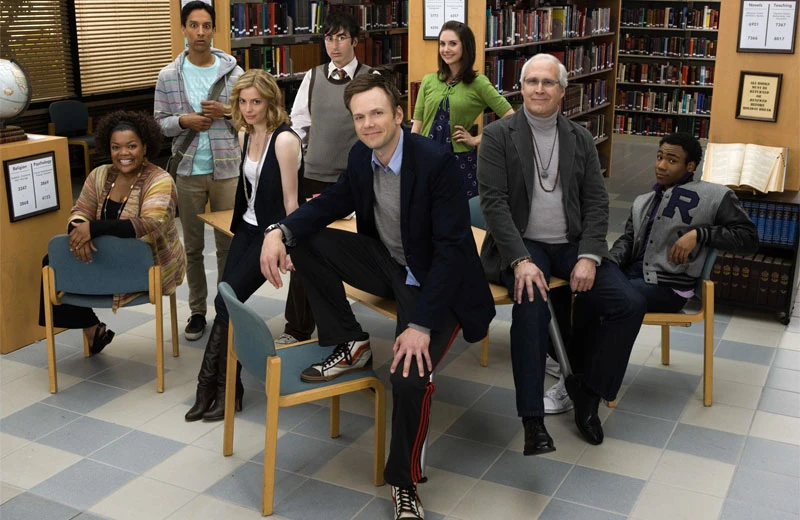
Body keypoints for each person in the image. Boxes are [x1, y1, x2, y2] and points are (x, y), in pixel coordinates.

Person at [260, 73, 495, 520]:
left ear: (399, 115)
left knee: (408, 377)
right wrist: (280, 230)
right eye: (359, 117)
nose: (368, 124)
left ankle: (404, 482)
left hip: (439, 283)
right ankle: (353, 342)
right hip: (390, 265)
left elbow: (451, 252)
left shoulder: (435, 162)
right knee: (303, 240)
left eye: (377, 113)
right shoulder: (360, 155)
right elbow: (331, 202)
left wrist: (421, 325)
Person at [477, 53, 646, 454]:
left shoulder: (580, 137)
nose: (539, 89)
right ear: (521, 87)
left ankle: (588, 391)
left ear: (562, 91)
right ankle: (532, 420)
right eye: (532, 81)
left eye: (548, 82)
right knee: (531, 308)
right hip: (523, 245)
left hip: (571, 244)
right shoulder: (498, 135)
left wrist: (589, 255)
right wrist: (520, 261)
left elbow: (596, 202)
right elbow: (494, 204)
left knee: (628, 302)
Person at [185, 69, 304, 422]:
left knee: (227, 302)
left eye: (256, 102)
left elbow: (292, 201)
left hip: (271, 235)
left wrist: (291, 245)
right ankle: (220, 389)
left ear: (270, 102)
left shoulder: (285, 140)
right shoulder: (243, 133)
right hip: (246, 229)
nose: (249, 109)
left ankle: (215, 388)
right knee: (225, 301)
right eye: (243, 101)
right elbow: (249, 190)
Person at [39, 111, 186, 352]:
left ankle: (92, 328)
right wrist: (78, 233)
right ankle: (91, 327)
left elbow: (150, 223)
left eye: (131, 146)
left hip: (146, 267)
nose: (123, 153)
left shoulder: (160, 179)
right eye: (116, 147)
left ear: (145, 147)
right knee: (54, 260)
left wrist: (93, 228)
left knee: (57, 265)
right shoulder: (100, 174)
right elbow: (80, 210)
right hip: (105, 260)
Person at [276, 11, 372, 346]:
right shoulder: (313, 77)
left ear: (355, 40)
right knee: (304, 250)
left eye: (341, 37)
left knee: (352, 251)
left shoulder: (370, 77)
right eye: (329, 38)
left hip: (353, 184)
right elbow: (298, 126)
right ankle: (297, 328)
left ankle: (343, 323)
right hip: (315, 178)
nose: (335, 45)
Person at [154, 0, 243, 342]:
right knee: (191, 246)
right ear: (184, 30)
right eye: (194, 25)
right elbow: (159, 124)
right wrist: (183, 121)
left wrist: (225, 111)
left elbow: (250, 119)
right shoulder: (168, 75)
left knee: (228, 246)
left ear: (214, 29)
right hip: (188, 170)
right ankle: (197, 311)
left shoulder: (234, 74)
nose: (200, 32)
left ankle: (227, 309)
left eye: (206, 25)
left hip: (227, 170)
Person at [610, 132, 759, 310]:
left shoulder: (714, 195)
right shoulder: (643, 201)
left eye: (672, 161)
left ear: (690, 166)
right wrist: (609, 264)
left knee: (605, 298)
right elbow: (628, 240)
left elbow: (748, 238)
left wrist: (699, 234)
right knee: (588, 288)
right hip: (632, 275)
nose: (661, 166)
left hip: (668, 286)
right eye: (659, 157)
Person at [411, 20, 513, 198]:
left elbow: (511, 118)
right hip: (426, 158)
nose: (446, 49)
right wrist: (412, 156)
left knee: (461, 210)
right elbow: (417, 124)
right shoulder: (428, 80)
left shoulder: (478, 83)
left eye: (452, 43)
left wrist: (477, 140)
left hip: (460, 162)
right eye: (442, 44)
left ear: (465, 46)